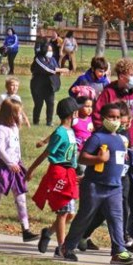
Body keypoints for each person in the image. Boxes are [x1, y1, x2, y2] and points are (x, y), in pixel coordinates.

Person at [58, 102, 133, 265]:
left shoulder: (120, 139)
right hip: (95, 185)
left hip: (115, 187)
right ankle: (67, 247)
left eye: (117, 117)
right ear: (103, 118)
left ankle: (119, 252)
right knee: (85, 217)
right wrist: (98, 159)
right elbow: (82, 157)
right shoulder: (97, 137)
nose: (115, 120)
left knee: (116, 219)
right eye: (111, 117)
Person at [28, 97, 81, 255]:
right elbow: (46, 154)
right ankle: (62, 248)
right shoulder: (60, 132)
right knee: (62, 211)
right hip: (59, 173)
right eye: (76, 110)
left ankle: (48, 233)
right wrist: (30, 170)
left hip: (69, 173)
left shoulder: (69, 131)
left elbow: (57, 136)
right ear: (72, 114)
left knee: (70, 213)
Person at [0, 98, 39, 242]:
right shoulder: (1, 129)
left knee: (21, 199)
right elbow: (1, 149)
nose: (20, 116)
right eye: (18, 113)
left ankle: (26, 230)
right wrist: (9, 163)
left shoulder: (14, 128)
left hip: (16, 167)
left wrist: (19, 164)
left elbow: (16, 148)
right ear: (9, 114)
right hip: (2, 168)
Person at [30, 40, 67, 126]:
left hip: (49, 85)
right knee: (38, 104)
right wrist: (61, 70)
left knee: (50, 103)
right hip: (38, 85)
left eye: (51, 50)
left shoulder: (53, 59)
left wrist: (59, 70)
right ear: (44, 50)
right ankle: (36, 121)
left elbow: (56, 69)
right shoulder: (38, 59)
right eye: (49, 50)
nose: (51, 52)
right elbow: (48, 69)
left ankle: (49, 122)